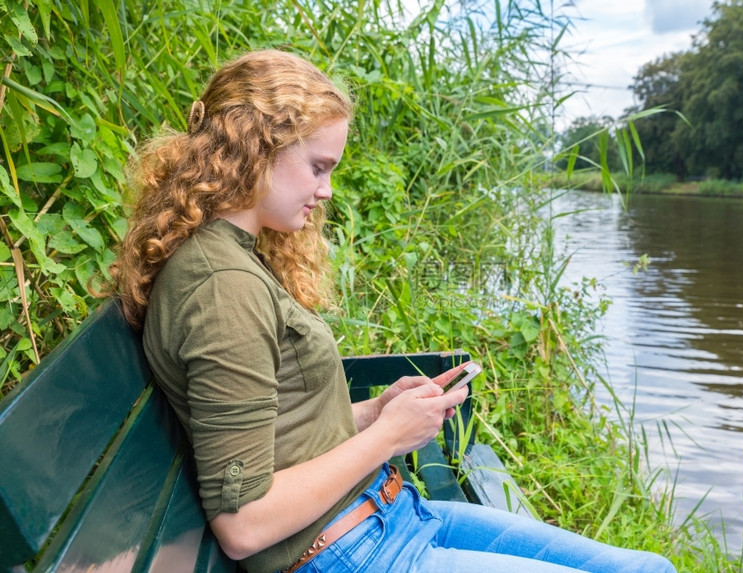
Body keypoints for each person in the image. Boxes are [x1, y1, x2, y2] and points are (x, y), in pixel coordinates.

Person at [110, 49, 676, 573]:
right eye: (318, 166)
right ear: (257, 148)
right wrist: (387, 440)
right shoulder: (221, 288)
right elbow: (244, 525)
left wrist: (377, 413)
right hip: (352, 552)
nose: (326, 190)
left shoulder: (231, 259)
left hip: (391, 517)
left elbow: (282, 433)